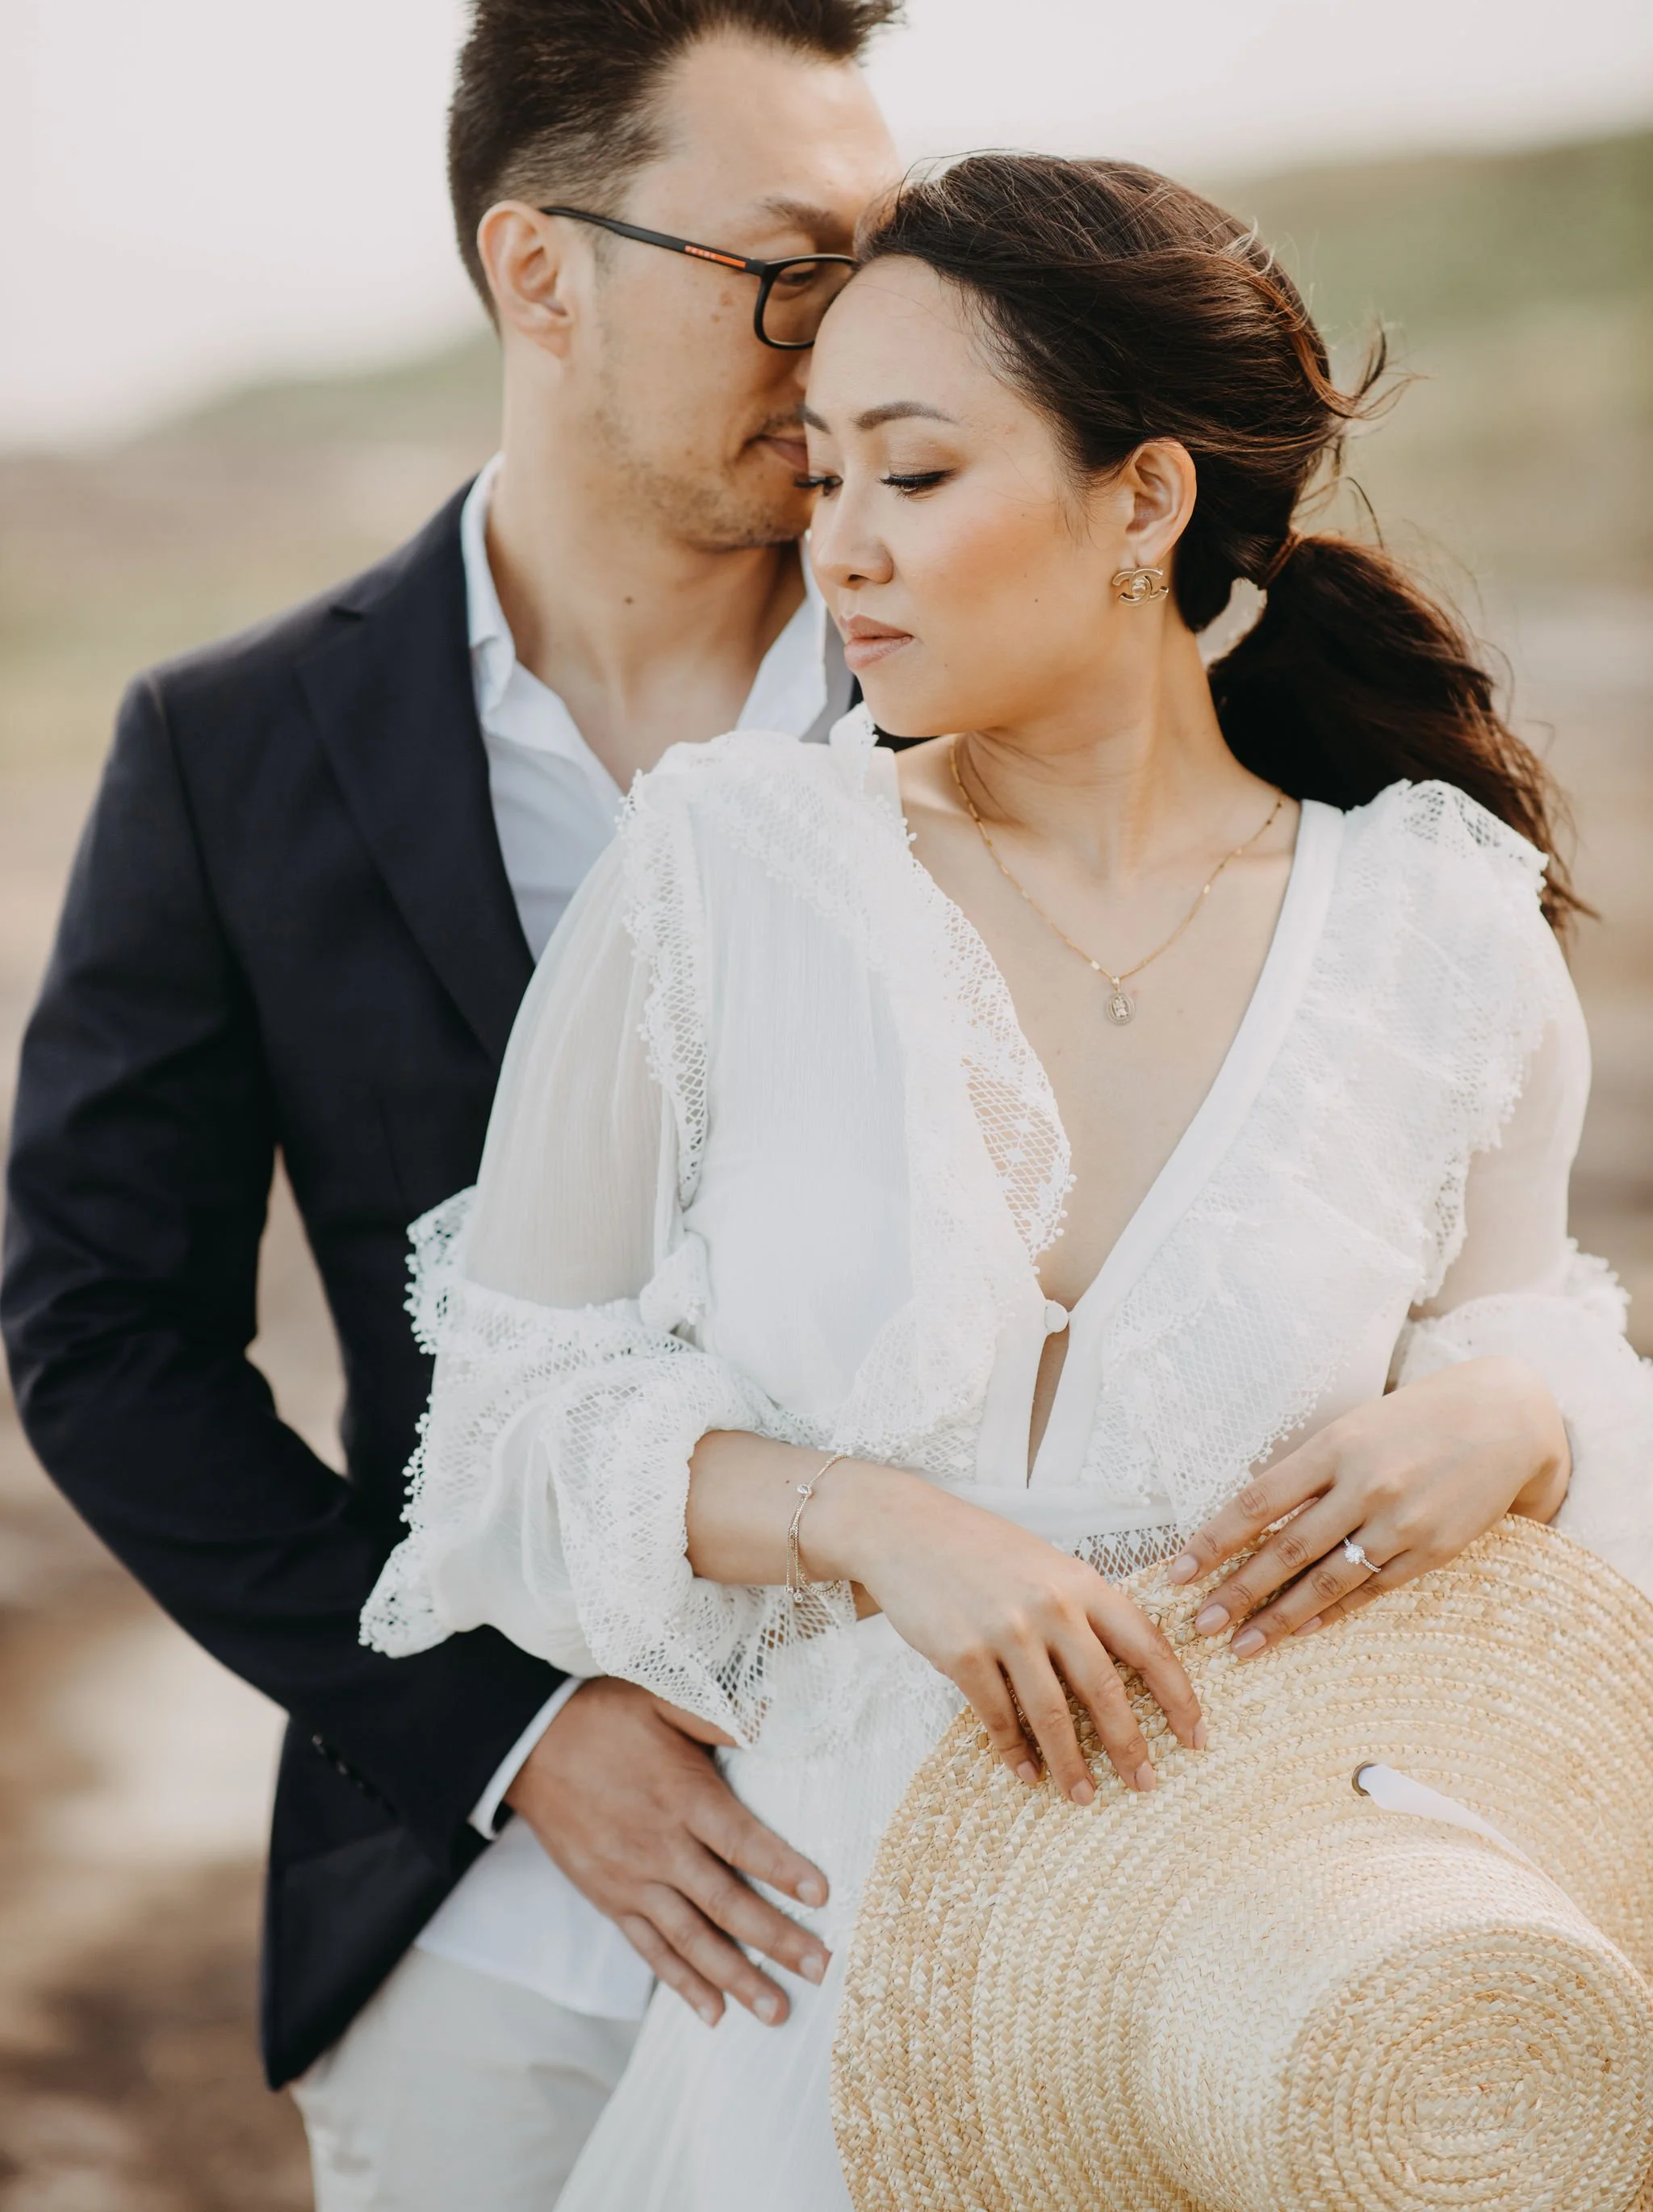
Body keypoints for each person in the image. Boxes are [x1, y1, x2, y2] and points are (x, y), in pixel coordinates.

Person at [365, 152, 1653, 2209]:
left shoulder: (1439, 933)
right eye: (822, 478)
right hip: (823, 1996)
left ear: (1142, 502)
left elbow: (1547, 1385)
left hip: (1260, 2016)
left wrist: (1512, 1416)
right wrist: (872, 1523)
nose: (838, 549)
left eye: (913, 473)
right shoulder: (721, 877)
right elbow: (502, 1450)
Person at [0, 0, 902, 2205]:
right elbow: (104, 1335)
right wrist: (512, 1733)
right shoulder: (230, 750)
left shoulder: (978, 690)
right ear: (540, 270)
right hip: (484, 1936)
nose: (850, 337)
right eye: (786, 267)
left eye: (881, 262)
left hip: (966, 1911)